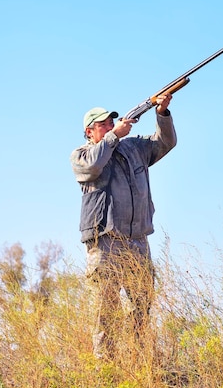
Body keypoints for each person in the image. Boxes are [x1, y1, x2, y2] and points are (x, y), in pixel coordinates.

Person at [70, 94, 176, 358]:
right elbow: (94, 165)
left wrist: (162, 113)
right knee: (105, 310)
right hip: (105, 243)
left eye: (111, 123)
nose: (109, 126)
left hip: (138, 241)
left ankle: (142, 361)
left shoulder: (134, 148)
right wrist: (113, 137)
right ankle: (105, 366)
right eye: (103, 125)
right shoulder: (81, 156)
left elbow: (166, 142)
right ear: (89, 131)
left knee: (143, 305)